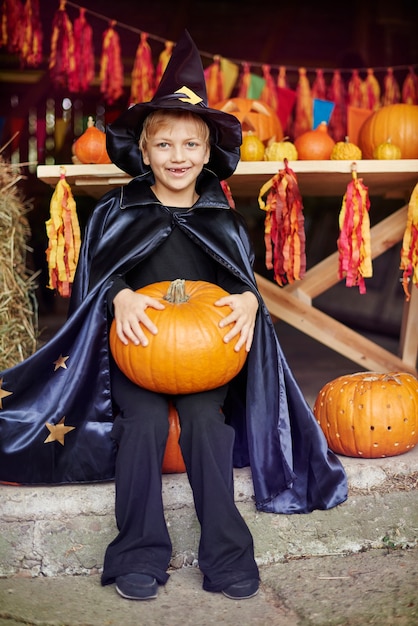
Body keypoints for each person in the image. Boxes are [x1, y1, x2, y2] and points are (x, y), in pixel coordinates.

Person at [0, 31, 348, 601]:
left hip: (203, 363)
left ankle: (227, 553)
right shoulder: (117, 211)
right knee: (141, 428)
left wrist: (245, 302)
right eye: (165, 145)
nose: (178, 157)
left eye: (191, 145)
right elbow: (91, 285)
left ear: (208, 154)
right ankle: (138, 551)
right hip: (134, 356)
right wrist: (119, 295)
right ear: (144, 149)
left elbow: (242, 291)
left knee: (207, 427)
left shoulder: (226, 221)